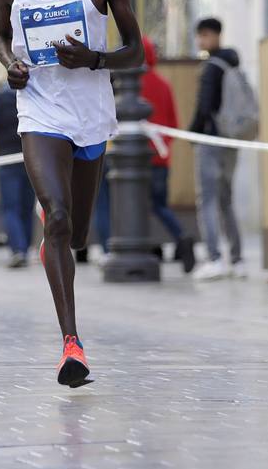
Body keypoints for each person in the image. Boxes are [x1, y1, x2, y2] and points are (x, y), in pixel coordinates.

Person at [0, 0, 143, 388]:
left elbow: (137, 51)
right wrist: (11, 65)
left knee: (74, 235)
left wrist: (95, 59)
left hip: (91, 112)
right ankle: (71, 345)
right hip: (38, 108)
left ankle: (58, 233)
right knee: (56, 215)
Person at [87, 38, 196, 271]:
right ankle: (181, 235)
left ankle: (109, 250)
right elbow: (173, 122)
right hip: (159, 156)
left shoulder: (121, 83)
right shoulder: (164, 84)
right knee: (158, 204)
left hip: (123, 155)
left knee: (109, 203)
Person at [189, 17, 246, 281]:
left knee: (208, 200)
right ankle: (237, 259)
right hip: (231, 140)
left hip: (211, 139)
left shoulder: (211, 67)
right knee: (226, 199)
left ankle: (214, 258)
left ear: (213, 35)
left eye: (204, 36)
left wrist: (192, 133)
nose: (201, 41)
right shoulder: (233, 62)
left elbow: (204, 107)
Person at [0, 84, 36, 269]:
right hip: (32, 159)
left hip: (7, 161)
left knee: (11, 208)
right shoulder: (34, 94)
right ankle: (24, 249)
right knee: (27, 207)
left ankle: (18, 250)